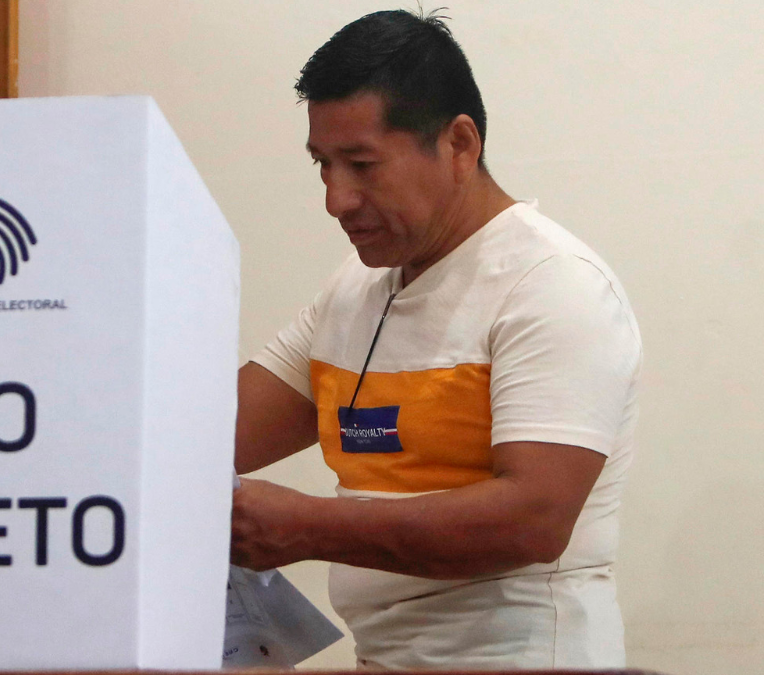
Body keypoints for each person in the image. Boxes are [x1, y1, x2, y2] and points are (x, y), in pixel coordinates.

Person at [230, 9, 642, 670]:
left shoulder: (554, 285)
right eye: (323, 165)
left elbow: (531, 519)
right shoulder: (352, 291)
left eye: (362, 164)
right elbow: (207, 437)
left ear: (459, 144)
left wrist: (302, 526)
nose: (337, 199)